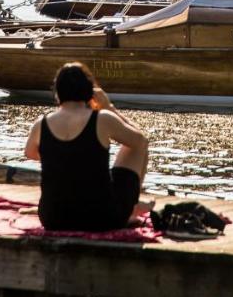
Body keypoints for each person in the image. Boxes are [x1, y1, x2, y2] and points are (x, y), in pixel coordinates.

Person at [25, 63, 151, 231]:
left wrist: (66, 158)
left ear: (57, 93)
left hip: (52, 218)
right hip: (100, 218)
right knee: (135, 147)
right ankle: (130, 209)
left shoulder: (41, 124)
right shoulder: (103, 119)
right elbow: (141, 141)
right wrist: (109, 107)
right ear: (90, 92)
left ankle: (130, 208)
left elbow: (30, 153)